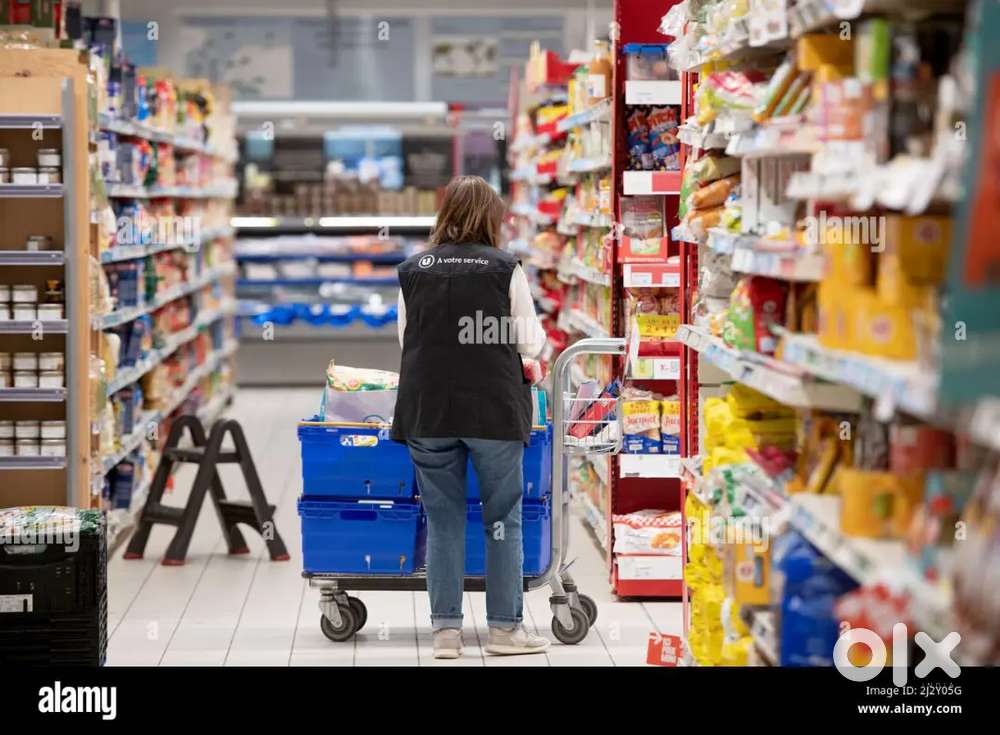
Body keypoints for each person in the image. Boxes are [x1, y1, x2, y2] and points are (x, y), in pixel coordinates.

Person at [392, 176, 550, 659]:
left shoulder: (413, 269)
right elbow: (530, 342)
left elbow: (406, 341)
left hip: (429, 410)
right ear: (492, 217)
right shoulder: (505, 268)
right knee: (502, 517)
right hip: (492, 412)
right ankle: (504, 631)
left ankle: (445, 634)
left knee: (443, 520)